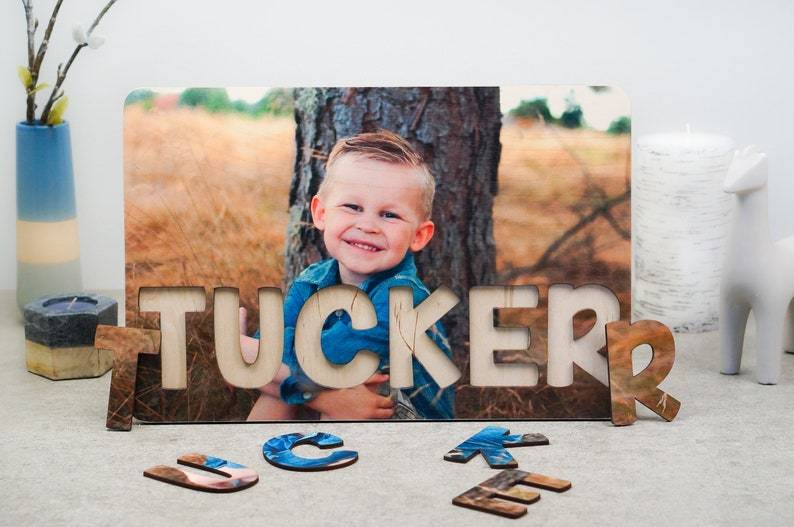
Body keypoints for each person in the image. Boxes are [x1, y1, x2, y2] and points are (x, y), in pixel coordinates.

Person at [244, 130, 454, 420]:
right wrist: (325, 399)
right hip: (340, 394)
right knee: (290, 383)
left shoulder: (405, 298)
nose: (368, 225)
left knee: (351, 382)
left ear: (419, 235)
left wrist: (246, 352)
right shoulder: (313, 279)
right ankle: (254, 460)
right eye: (352, 207)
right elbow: (271, 352)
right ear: (321, 214)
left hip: (410, 426)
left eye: (389, 215)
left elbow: (322, 359)